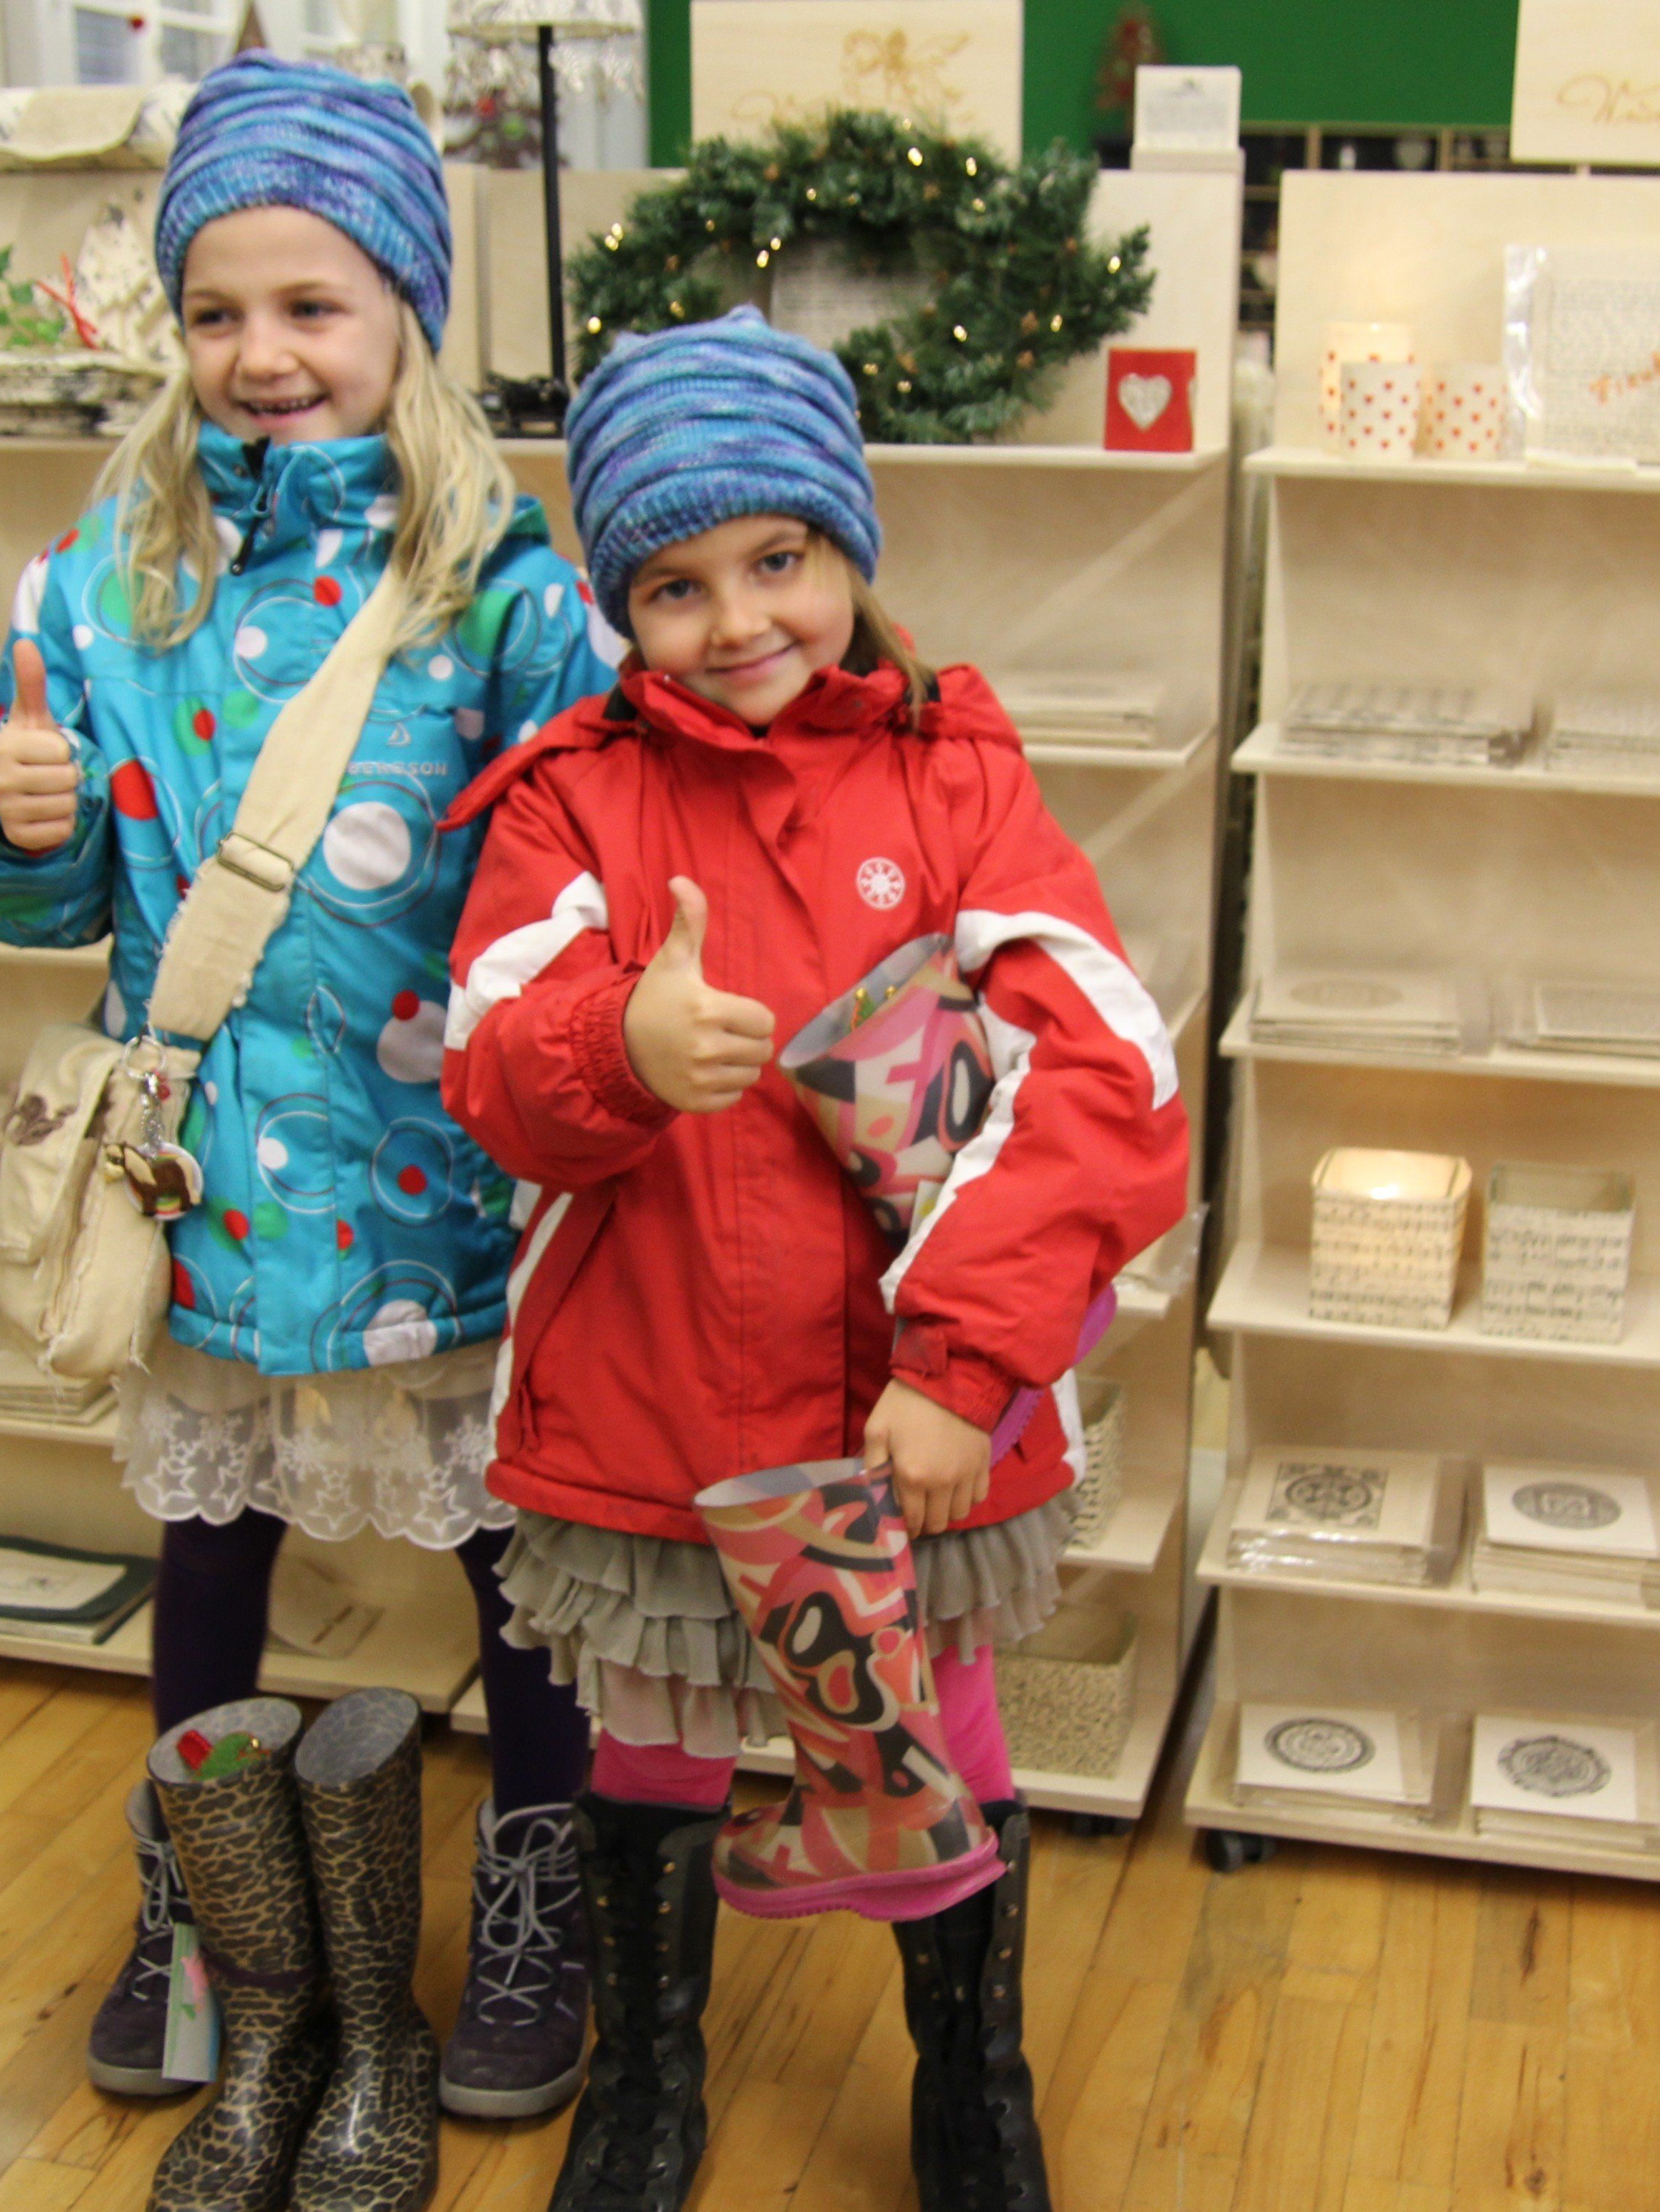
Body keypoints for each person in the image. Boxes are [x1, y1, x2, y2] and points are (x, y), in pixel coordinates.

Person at [439, 306, 1191, 2212]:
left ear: (848, 546)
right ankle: (645, 2084)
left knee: (941, 1720)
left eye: (778, 559)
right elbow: (493, 1063)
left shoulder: (957, 775)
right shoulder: (570, 794)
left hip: (901, 1412)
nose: (739, 619)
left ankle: (975, 2089)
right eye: (675, 585)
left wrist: (966, 1365)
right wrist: (619, 1043)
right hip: (651, 1394)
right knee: (658, 1738)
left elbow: (1104, 1070)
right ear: (620, 604)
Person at [0, 52, 612, 2124]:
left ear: (407, 307)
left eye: (312, 304)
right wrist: (21, 818)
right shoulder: (106, 580)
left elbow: (591, 863)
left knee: (516, 1562)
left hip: (452, 1179)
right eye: (216, 309)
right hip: (206, 1182)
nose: (261, 353)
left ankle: (543, 1901)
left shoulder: (504, 586)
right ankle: (215, 1913)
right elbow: (44, 898)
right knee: (209, 1542)